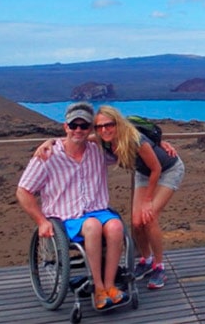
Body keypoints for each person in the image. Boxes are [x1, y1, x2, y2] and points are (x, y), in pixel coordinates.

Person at [35, 105, 185, 290]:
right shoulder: (103, 139)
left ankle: (159, 266)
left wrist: (147, 201)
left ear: (118, 124)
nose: (104, 130)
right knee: (137, 222)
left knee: (149, 216)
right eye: (99, 127)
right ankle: (146, 260)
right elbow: (74, 137)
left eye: (109, 125)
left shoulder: (134, 139)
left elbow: (156, 169)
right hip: (143, 173)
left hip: (166, 170)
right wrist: (49, 141)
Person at [17, 102, 128, 310]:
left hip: (98, 209)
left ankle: (111, 285)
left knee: (115, 226)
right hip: (66, 217)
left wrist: (160, 145)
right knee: (93, 226)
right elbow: (23, 191)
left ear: (90, 129)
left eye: (84, 126)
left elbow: (124, 141)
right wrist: (41, 221)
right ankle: (98, 288)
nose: (78, 130)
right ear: (65, 126)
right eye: (73, 125)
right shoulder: (48, 156)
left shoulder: (98, 151)